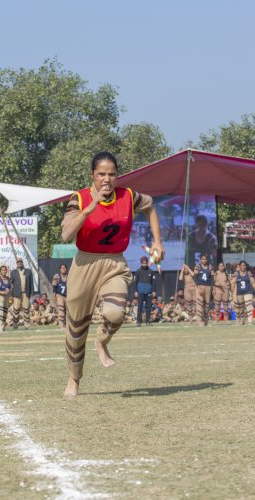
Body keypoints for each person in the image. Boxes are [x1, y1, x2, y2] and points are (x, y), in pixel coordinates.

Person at [60, 151, 164, 397]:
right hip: (84, 264)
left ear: (117, 176)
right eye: (101, 174)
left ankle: (102, 341)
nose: (107, 179)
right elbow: (65, 234)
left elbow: (150, 207)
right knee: (75, 330)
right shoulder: (79, 198)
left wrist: (157, 241)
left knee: (115, 312)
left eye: (112, 174)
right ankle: (74, 379)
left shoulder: (128, 196)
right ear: (92, 176)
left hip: (114, 263)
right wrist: (88, 209)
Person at [231, 260, 255, 325]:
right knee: (241, 307)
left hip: (248, 291)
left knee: (248, 306)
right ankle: (242, 319)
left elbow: (253, 282)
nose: (243, 267)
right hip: (239, 292)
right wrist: (232, 292)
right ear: (239, 266)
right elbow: (232, 283)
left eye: (244, 265)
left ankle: (250, 321)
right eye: (242, 265)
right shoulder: (236, 274)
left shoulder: (249, 273)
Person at [10, 258, 33, 329]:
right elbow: (11, 283)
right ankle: (15, 324)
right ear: (16, 263)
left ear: (22, 262)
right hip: (16, 293)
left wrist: (32, 294)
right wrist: (12, 293)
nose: (19, 263)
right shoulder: (13, 272)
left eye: (20, 262)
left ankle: (27, 325)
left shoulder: (28, 271)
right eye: (18, 262)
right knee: (16, 309)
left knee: (26, 309)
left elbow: (31, 283)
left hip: (26, 293)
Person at [133, 256, 156, 327]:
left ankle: (148, 321)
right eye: (143, 263)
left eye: (146, 263)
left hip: (148, 291)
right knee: (139, 307)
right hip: (140, 291)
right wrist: (135, 291)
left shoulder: (151, 271)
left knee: (148, 307)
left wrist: (154, 291)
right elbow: (135, 282)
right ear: (141, 263)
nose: (144, 264)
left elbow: (153, 282)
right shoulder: (138, 271)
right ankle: (139, 321)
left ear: (148, 263)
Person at [192, 254, 213, 326]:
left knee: (207, 304)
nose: (204, 260)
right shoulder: (198, 266)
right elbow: (195, 277)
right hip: (200, 286)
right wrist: (198, 286)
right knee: (200, 303)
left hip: (208, 286)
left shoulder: (210, 266)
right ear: (200, 260)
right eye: (203, 259)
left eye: (205, 259)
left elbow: (212, 277)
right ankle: (199, 321)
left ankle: (206, 321)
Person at [0, 265, 12, 332]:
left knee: (5, 314)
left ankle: (3, 328)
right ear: (0, 271)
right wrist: (2, 292)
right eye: (2, 270)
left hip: (6, 298)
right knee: (0, 314)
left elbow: (11, 288)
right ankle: (0, 329)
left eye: (5, 270)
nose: (4, 271)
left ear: (6, 271)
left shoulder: (8, 279)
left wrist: (9, 291)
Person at [51, 264, 68, 329]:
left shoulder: (69, 276)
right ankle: (61, 325)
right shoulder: (57, 276)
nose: (63, 269)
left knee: (68, 311)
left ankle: (66, 324)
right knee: (61, 309)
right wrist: (54, 295)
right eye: (62, 268)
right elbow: (54, 286)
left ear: (66, 269)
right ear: (60, 269)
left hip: (67, 296)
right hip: (59, 295)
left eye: (64, 268)